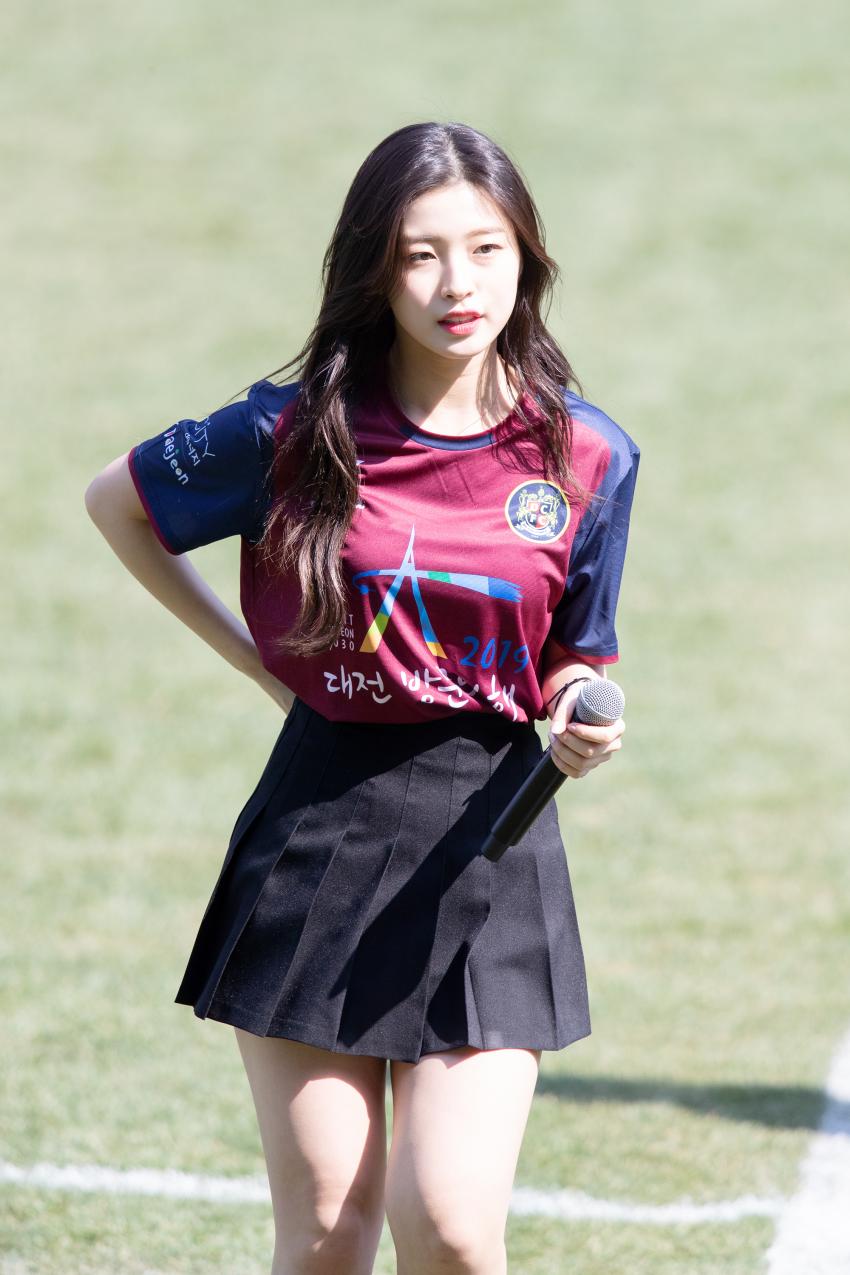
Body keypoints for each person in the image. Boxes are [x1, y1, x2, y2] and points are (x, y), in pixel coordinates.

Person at [84, 120, 639, 1275]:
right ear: (372, 272)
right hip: (320, 830)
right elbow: (117, 503)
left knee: (450, 1225)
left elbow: (577, 652)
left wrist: (583, 705)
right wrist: (258, 661)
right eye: (418, 255)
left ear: (525, 260)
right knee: (330, 1230)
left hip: (495, 840)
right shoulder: (289, 430)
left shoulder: (587, 454)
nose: (456, 284)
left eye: (485, 250)